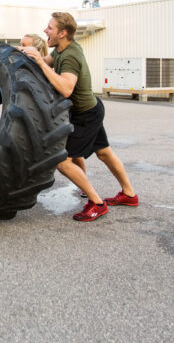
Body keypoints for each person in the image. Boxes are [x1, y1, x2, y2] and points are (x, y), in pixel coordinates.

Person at [20, 12, 138, 222]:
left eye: (50, 28)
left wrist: (40, 61)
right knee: (104, 153)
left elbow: (66, 88)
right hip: (91, 108)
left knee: (61, 160)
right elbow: (44, 63)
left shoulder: (70, 56)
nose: (45, 30)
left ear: (62, 33)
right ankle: (129, 194)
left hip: (86, 115)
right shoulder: (61, 50)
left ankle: (97, 204)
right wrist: (26, 55)